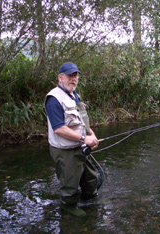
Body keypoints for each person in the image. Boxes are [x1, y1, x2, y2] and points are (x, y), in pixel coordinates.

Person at [44, 62, 99, 216]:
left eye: (75, 75)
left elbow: (82, 121)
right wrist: (84, 139)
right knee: (70, 186)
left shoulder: (75, 95)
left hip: (80, 145)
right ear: (60, 77)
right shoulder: (54, 98)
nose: (73, 79)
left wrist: (91, 135)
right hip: (65, 151)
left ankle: (91, 202)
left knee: (90, 179)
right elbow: (59, 128)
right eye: (69, 75)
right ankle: (68, 207)